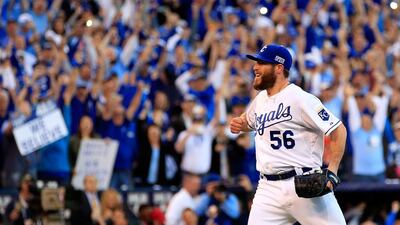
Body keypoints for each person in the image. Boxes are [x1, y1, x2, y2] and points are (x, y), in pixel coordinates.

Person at [229, 44, 347, 225]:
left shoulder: (300, 98)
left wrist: (332, 171)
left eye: (262, 63)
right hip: (267, 189)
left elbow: (338, 130)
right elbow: (250, 121)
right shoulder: (260, 99)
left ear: (278, 68)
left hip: (304, 184)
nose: (255, 67)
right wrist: (241, 124)